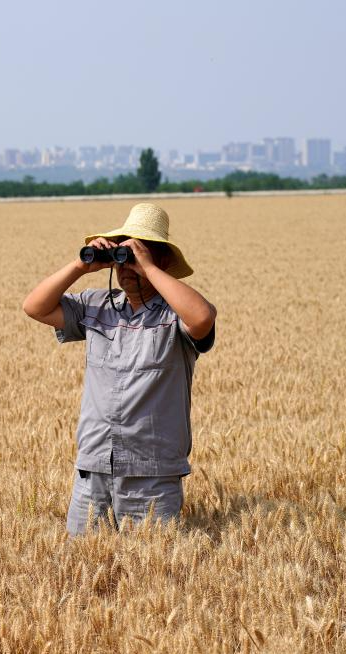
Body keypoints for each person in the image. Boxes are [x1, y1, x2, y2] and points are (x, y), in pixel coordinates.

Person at [22, 202, 216, 536]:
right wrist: (81, 266)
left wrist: (148, 268)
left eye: (137, 251)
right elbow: (34, 306)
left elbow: (202, 317)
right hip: (94, 468)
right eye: (122, 254)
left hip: (151, 475)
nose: (127, 265)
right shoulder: (97, 306)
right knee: (84, 562)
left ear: (163, 260)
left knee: (151, 567)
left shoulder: (173, 315)